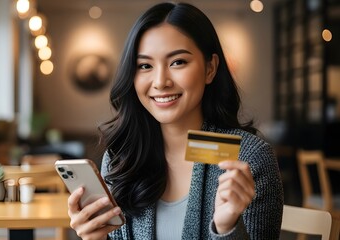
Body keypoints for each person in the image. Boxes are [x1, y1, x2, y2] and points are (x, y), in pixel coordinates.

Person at [67, 2, 284, 239]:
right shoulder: (122, 158)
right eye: (145, 65)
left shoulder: (249, 159)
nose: (161, 81)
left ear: (210, 68)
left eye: (178, 62)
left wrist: (226, 227)